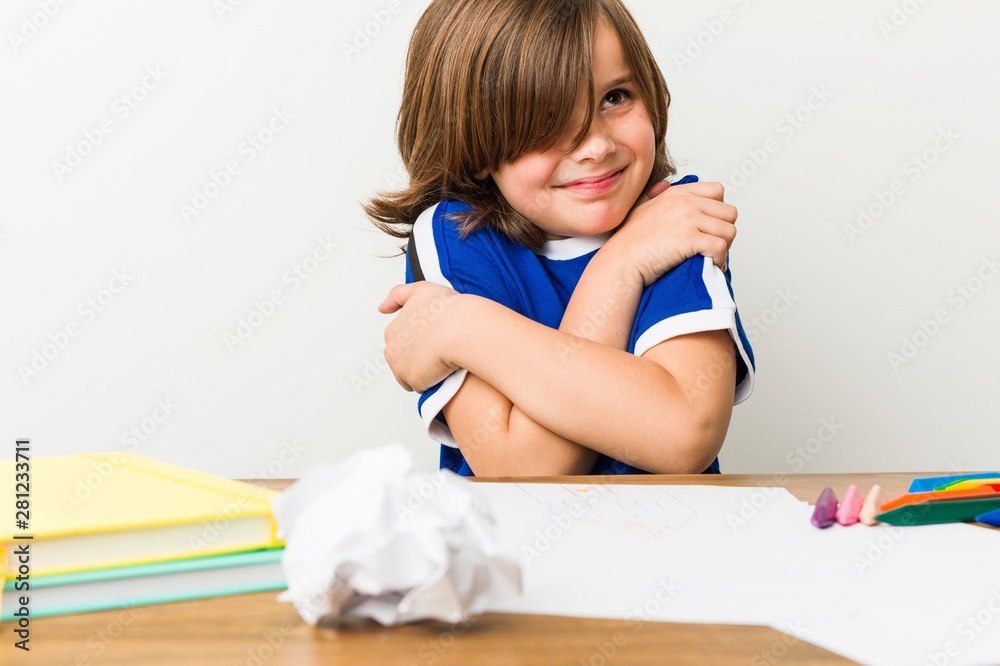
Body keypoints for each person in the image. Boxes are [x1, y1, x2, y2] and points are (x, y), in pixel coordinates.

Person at [367, 0, 754, 476]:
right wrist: (624, 266)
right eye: (545, 120)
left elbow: (683, 434)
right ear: (475, 145)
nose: (596, 146)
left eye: (615, 97)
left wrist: (464, 328)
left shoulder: (673, 221)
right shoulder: (456, 236)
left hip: (668, 545)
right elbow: (523, 469)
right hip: (518, 549)